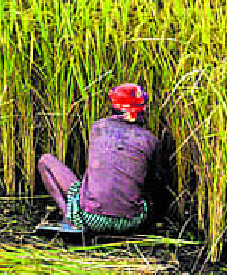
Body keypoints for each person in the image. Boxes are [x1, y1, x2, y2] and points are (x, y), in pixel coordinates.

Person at [37, 84, 158, 235]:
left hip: (92, 218)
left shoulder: (98, 128)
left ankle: (69, 217)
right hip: (131, 221)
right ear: (141, 109)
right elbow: (151, 185)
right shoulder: (151, 140)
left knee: (45, 160)